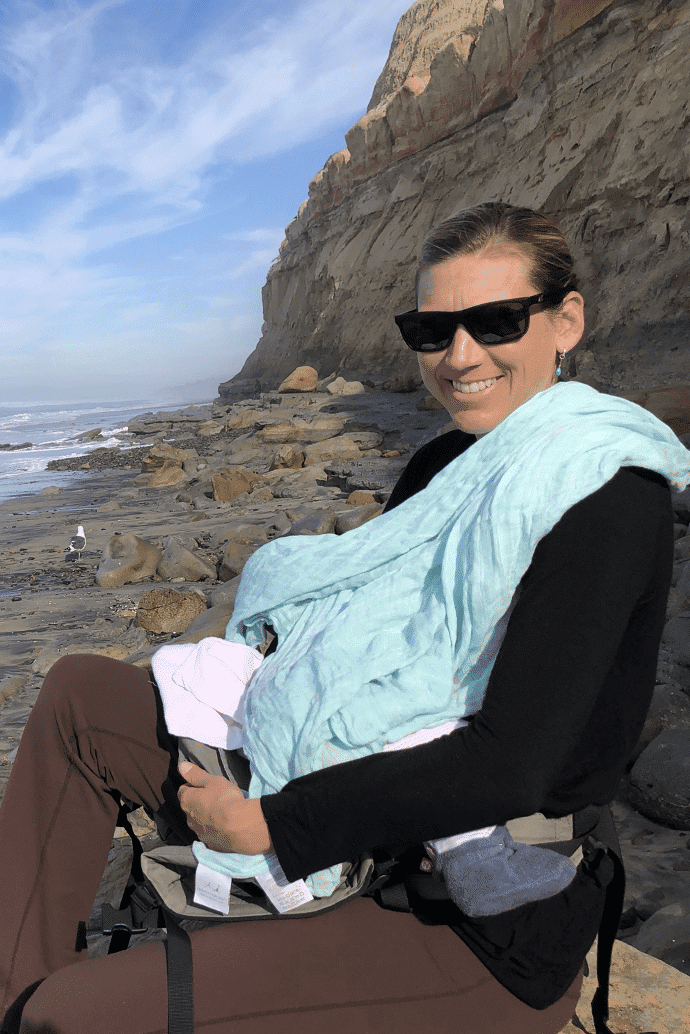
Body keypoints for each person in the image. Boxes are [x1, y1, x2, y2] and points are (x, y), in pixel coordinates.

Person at [0, 201, 686, 1034]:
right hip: (360, 805)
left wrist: (268, 826)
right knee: (78, 693)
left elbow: (512, 767)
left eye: (497, 321)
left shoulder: (606, 494)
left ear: (564, 320)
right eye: (433, 331)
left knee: (71, 1018)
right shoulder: (446, 461)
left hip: (476, 914)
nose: (460, 356)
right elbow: (365, 645)